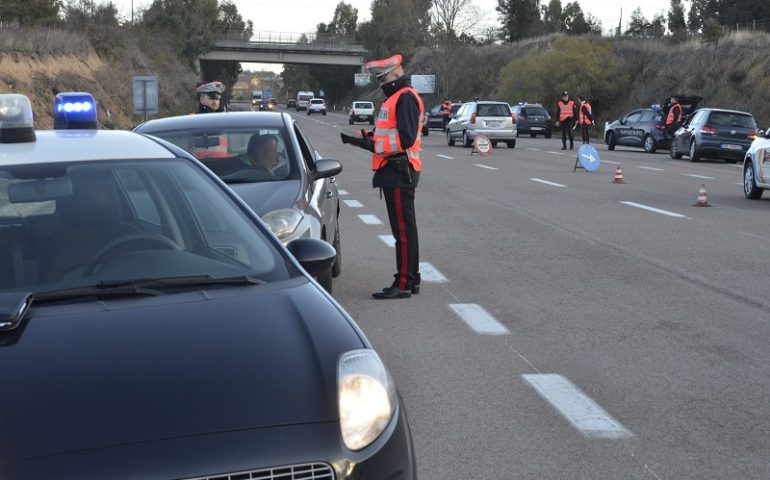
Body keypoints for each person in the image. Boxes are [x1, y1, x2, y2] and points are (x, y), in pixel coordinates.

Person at [340, 53, 424, 299]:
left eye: (383, 79)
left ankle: (404, 282)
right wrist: (362, 141)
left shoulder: (405, 97)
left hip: (400, 170)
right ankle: (412, 278)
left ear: (395, 75)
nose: (381, 84)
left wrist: (373, 144)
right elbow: (388, 136)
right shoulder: (398, 98)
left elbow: (405, 139)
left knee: (402, 231)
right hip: (395, 169)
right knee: (405, 229)